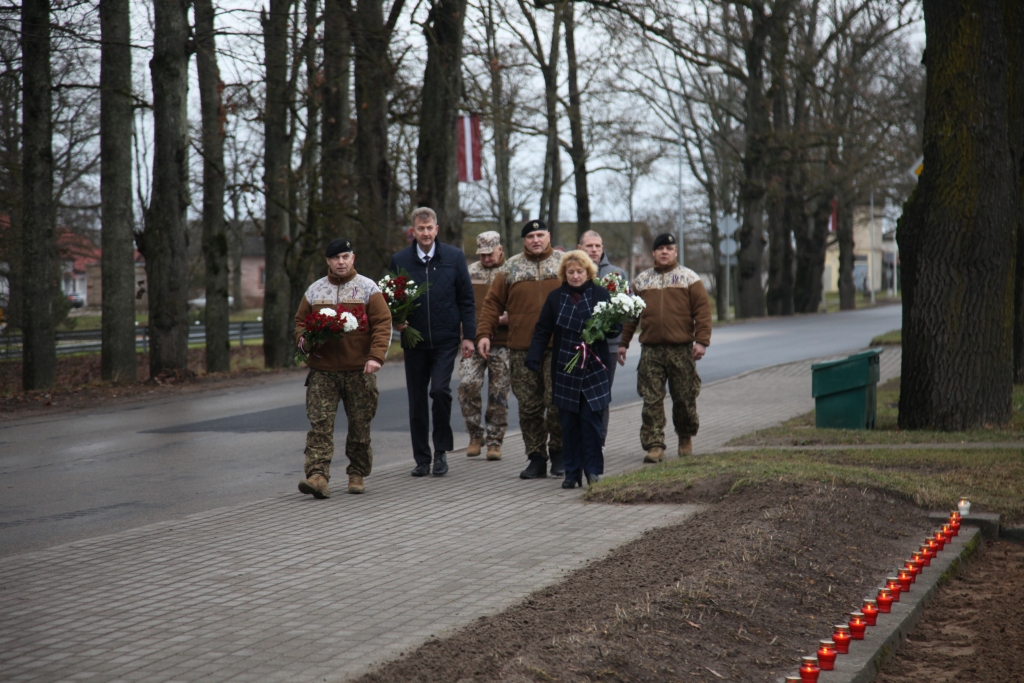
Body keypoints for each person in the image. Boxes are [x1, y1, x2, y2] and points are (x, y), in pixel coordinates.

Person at [295, 238, 392, 497]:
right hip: (322, 371)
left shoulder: (367, 288)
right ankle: (317, 476)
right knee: (320, 425)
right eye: (336, 257)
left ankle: (357, 473)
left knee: (360, 426)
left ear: (353, 258)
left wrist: (375, 357)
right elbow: (300, 322)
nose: (341, 262)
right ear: (328, 261)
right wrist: (304, 341)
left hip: (359, 370)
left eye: (345, 256)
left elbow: (383, 324)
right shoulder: (315, 290)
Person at [390, 207, 477, 477]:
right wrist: (397, 319)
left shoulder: (453, 257)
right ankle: (421, 458)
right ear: (412, 232)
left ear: (436, 230)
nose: (425, 233)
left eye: (429, 228)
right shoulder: (400, 260)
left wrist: (469, 336)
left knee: (440, 391)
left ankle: (441, 452)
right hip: (414, 341)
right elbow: (393, 298)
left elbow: (466, 300)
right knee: (416, 402)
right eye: (420, 229)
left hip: (445, 339)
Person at [476, 220, 564, 479]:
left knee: (557, 404)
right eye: (530, 236)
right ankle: (536, 458)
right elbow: (492, 304)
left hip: (558, 347)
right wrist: (483, 334)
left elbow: (585, 294)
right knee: (529, 407)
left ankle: (560, 455)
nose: (536, 240)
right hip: (522, 349)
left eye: (540, 235)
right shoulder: (510, 267)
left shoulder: (565, 263)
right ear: (523, 240)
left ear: (548, 236)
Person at [618, 233, 712, 463]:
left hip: (682, 350)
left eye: (669, 248)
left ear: (676, 252)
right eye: (660, 249)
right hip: (651, 351)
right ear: (653, 253)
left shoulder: (689, 278)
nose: (664, 252)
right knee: (651, 399)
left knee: (684, 398)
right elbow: (631, 316)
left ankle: (685, 436)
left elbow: (702, 312)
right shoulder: (641, 281)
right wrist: (623, 343)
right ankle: (654, 445)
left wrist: (701, 341)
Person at [526, 251, 615, 488]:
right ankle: (571, 473)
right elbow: (543, 329)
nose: (575, 276)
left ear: (589, 273)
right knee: (568, 423)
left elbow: (614, 330)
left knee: (591, 422)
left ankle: (593, 470)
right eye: (571, 272)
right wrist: (534, 356)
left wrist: (612, 326)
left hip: (594, 366)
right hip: (566, 366)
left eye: (580, 272)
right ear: (564, 274)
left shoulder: (601, 294)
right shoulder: (556, 297)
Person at [458, 231, 511, 461]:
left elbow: (525, 306)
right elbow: (461, 306)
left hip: (503, 342)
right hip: (474, 338)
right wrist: (464, 336)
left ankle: (494, 441)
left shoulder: (512, 271)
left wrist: (512, 316)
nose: (486, 259)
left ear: (500, 249)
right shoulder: (470, 273)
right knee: (468, 385)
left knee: (498, 393)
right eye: (482, 255)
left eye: (490, 254)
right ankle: (474, 434)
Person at [578, 229, 628, 437]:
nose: (594, 250)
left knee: (601, 395)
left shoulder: (616, 274)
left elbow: (626, 308)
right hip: (577, 345)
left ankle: (599, 441)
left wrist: (620, 339)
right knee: (577, 395)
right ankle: (577, 441)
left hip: (608, 346)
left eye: (598, 246)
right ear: (580, 248)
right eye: (590, 246)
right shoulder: (573, 271)